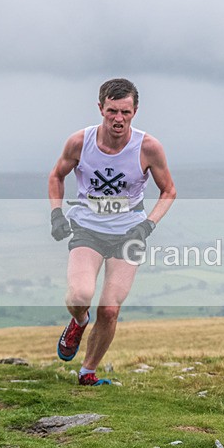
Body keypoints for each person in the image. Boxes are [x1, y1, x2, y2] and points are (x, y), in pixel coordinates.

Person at [48, 78, 176, 385]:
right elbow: (56, 176)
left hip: (128, 233)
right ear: (101, 108)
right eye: (112, 111)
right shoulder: (80, 142)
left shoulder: (148, 147)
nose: (118, 119)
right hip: (87, 229)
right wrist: (56, 214)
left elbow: (169, 191)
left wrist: (147, 225)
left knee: (109, 309)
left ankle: (88, 372)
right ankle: (79, 320)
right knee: (81, 295)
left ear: (135, 110)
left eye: (125, 112)